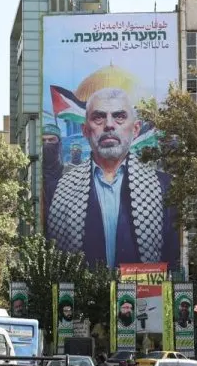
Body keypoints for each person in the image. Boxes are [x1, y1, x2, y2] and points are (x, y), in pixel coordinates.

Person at [46, 88, 179, 269]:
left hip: (143, 288)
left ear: (136, 129)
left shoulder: (163, 187)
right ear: (85, 130)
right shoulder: (60, 189)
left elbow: (171, 260)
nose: (109, 125)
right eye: (98, 117)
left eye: (119, 117)